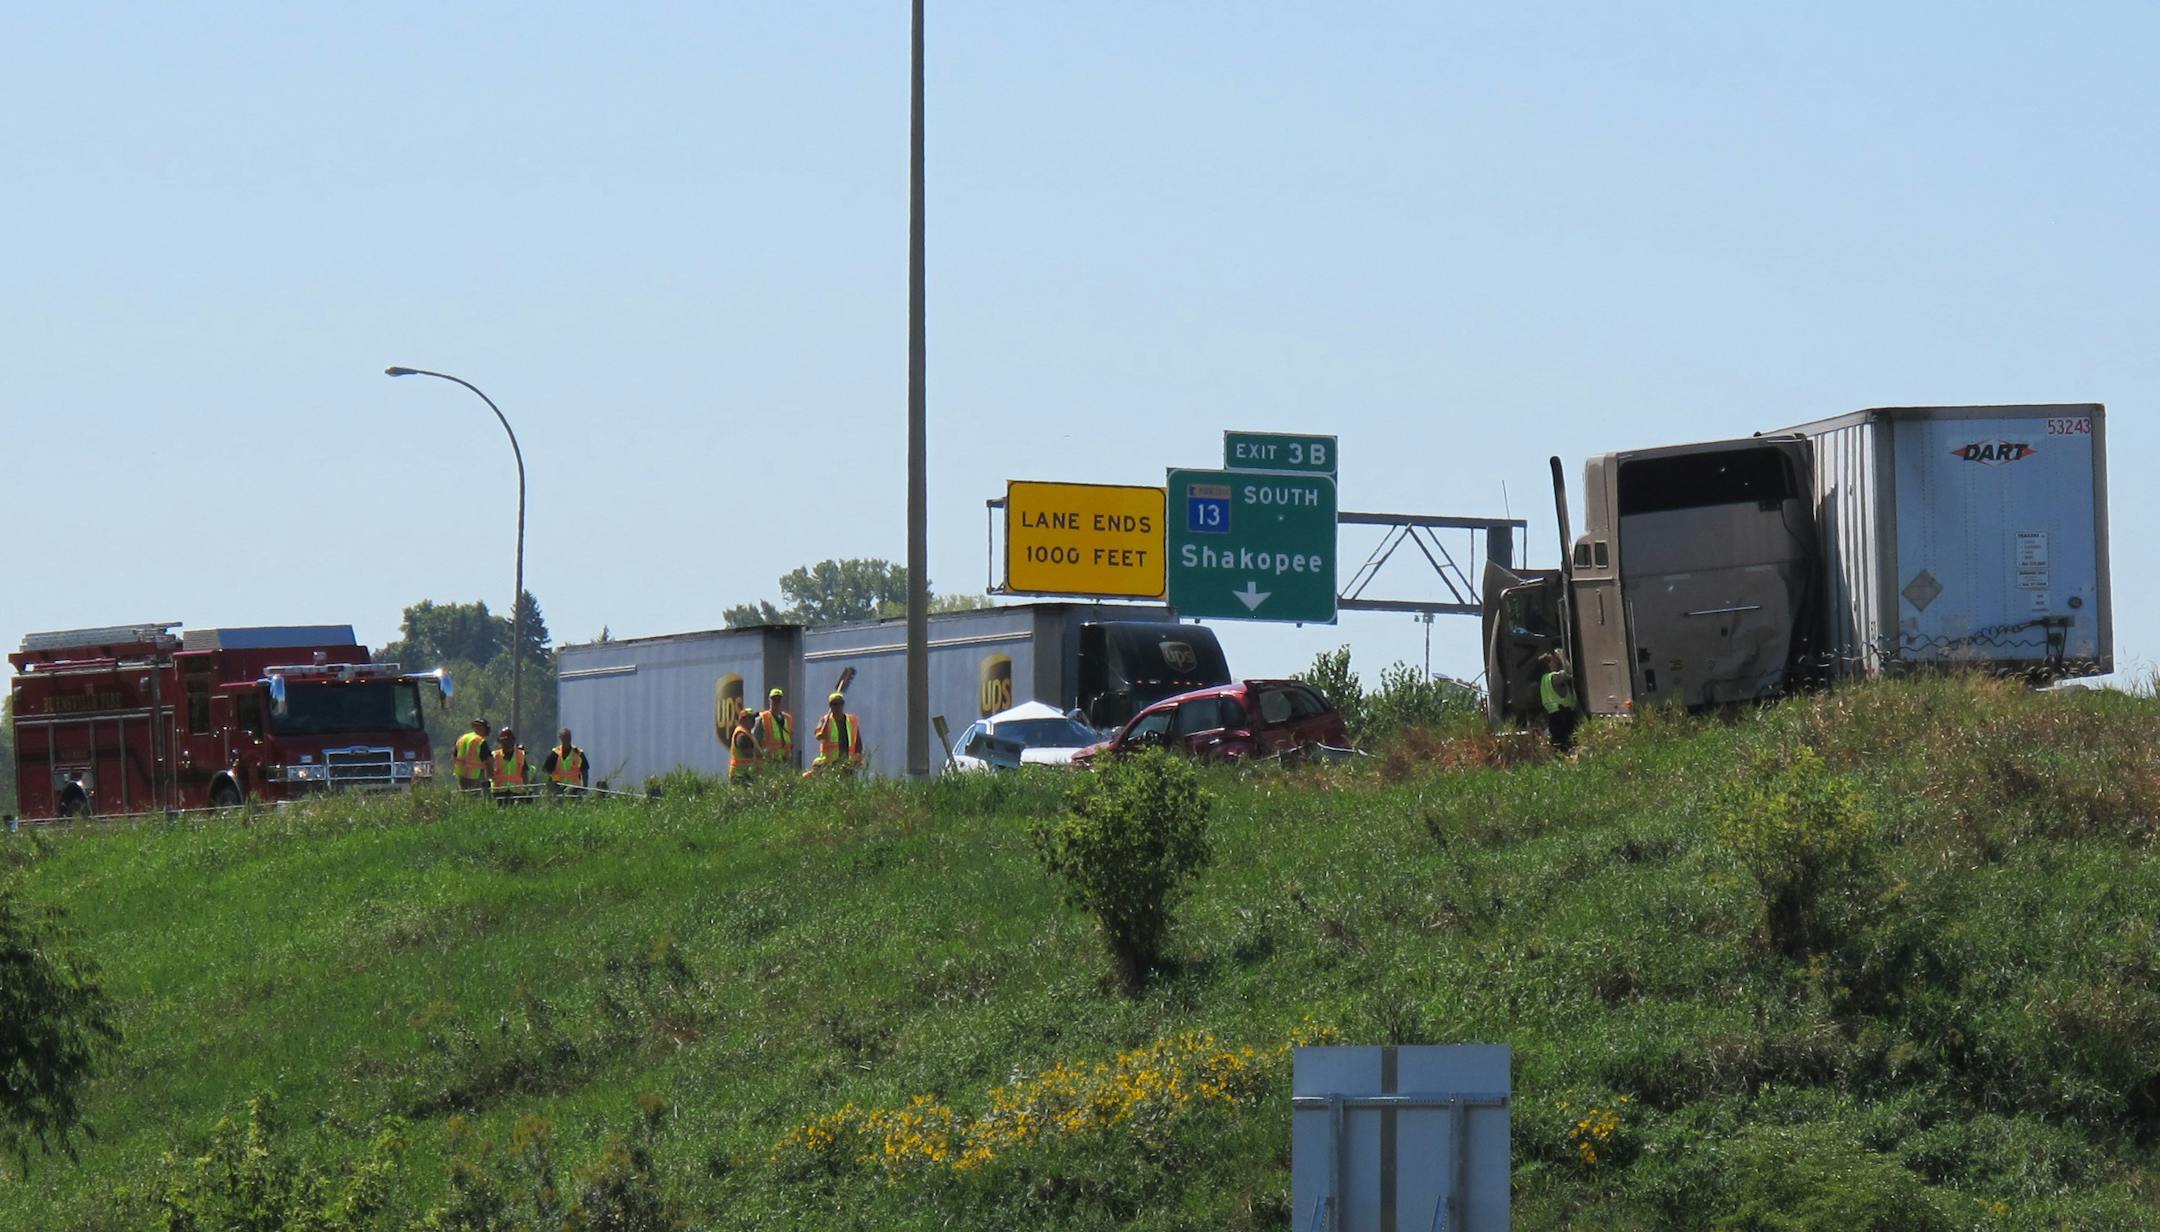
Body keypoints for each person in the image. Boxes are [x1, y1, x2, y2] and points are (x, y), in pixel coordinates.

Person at [806, 691, 863, 776]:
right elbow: (818, 734)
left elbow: (857, 740)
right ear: (830, 706)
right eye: (834, 704)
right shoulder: (825, 720)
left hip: (848, 763)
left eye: (839, 703)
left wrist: (858, 755)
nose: (837, 706)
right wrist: (820, 735)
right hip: (830, 764)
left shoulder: (851, 720)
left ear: (843, 704)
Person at [1538, 651, 1579, 750]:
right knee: (1569, 745)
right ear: (1549, 664)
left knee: (1559, 747)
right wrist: (1563, 657)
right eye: (1553, 661)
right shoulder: (1553, 678)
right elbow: (1569, 672)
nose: (1556, 662)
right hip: (1563, 717)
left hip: (1554, 718)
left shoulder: (1544, 679)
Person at [543, 727, 588, 799]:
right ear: (560, 738)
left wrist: (585, 788)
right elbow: (547, 770)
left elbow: (585, 771)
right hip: (559, 788)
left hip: (574, 789)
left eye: (568, 738)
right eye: (565, 738)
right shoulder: (555, 753)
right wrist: (553, 783)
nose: (567, 740)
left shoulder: (578, 753)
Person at [453, 718, 493, 797]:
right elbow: (487, 761)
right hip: (474, 776)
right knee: (475, 799)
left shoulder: (462, 738)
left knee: (465, 798)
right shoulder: (480, 741)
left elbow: (455, 756)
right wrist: (491, 775)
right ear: (484, 728)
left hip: (461, 774)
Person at [492, 726, 532, 803]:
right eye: (504, 741)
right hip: (498, 792)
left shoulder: (520, 755)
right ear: (500, 742)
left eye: (508, 741)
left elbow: (524, 773)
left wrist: (527, 789)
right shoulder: (494, 755)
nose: (507, 744)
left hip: (516, 792)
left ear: (513, 741)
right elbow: (488, 773)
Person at [756, 687, 794, 767]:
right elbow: (756, 739)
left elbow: (790, 737)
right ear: (769, 700)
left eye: (778, 699)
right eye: (774, 699)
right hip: (770, 759)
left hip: (785, 759)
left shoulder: (788, 718)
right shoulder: (763, 717)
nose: (776, 702)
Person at [729, 708, 762, 784]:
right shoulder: (742, 735)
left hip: (746, 774)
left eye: (753, 718)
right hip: (740, 775)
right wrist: (762, 753)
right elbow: (747, 752)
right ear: (742, 720)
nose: (753, 721)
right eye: (750, 718)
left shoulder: (748, 733)